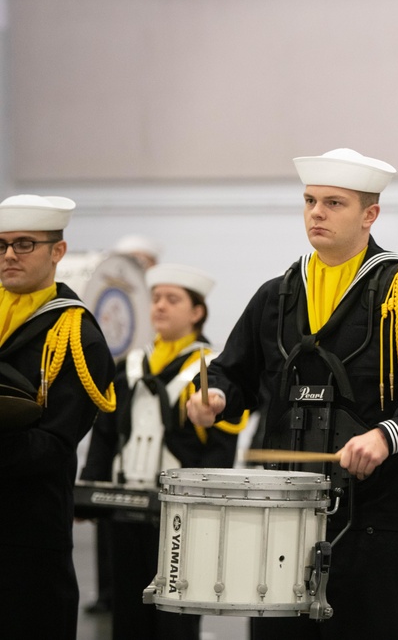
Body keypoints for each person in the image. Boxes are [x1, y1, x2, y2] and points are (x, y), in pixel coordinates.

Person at [186, 147, 398, 639]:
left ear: (370, 215)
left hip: (371, 524)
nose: (316, 213)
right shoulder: (276, 294)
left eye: (333, 203)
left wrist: (390, 435)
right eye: (309, 201)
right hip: (280, 519)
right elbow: (231, 374)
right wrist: (214, 398)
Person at [81, 262, 245, 639]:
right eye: (156, 299)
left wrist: (207, 508)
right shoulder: (130, 366)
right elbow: (106, 432)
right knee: (127, 611)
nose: (160, 307)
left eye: (172, 299)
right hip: (125, 507)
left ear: (197, 312)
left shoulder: (212, 372)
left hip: (180, 519)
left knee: (175, 618)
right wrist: (90, 487)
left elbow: (220, 449)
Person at [0, 194, 117, 639]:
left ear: (58, 251)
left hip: (28, 532)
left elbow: (52, 446)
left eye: (25, 243)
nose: (10, 255)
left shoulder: (75, 335)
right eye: (2, 244)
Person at [84, 232, 161, 616]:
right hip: (117, 392)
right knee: (109, 515)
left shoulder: (159, 300)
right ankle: (108, 592)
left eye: (144, 260)